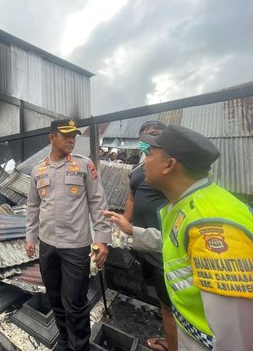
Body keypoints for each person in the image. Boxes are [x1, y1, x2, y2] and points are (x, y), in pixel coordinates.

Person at [104, 125, 253, 351]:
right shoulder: (187, 202)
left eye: (151, 154)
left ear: (169, 165)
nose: (145, 161)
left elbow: (235, 338)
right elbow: (174, 241)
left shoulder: (212, 227)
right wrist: (132, 231)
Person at [25, 119, 112, 351]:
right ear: (52, 137)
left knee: (74, 302)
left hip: (75, 246)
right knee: (55, 297)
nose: (72, 139)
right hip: (47, 246)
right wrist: (30, 237)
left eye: (74, 134)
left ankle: (79, 346)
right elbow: (33, 206)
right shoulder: (38, 170)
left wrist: (102, 239)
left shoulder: (84, 165)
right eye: (66, 135)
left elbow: (98, 202)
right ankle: (64, 339)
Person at [123, 120, 177, 351]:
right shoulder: (138, 169)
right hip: (142, 244)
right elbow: (131, 198)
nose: (148, 141)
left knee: (171, 306)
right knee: (161, 299)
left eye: (155, 136)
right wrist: (124, 224)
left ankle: (172, 346)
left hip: (163, 248)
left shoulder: (170, 167)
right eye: (145, 137)